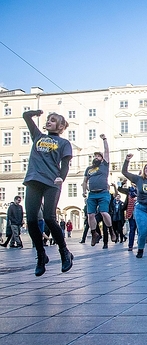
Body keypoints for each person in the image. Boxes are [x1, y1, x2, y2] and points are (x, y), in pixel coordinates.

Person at [22, 109, 73, 276]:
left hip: (52, 182)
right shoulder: (38, 136)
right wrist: (35, 112)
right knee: (30, 220)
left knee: (49, 218)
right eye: (48, 120)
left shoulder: (64, 143)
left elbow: (65, 164)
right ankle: (40, 255)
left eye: (53, 120)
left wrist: (62, 178)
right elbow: (26, 117)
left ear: (59, 127)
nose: (49, 122)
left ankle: (64, 251)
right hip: (33, 180)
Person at [83, 134, 116, 246]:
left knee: (103, 212)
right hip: (92, 194)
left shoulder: (104, 166)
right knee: (90, 215)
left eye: (98, 156)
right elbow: (84, 181)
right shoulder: (89, 169)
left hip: (103, 193)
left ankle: (111, 230)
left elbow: (106, 151)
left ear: (102, 159)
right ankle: (94, 234)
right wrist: (83, 190)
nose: (96, 157)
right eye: (95, 156)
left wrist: (104, 140)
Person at [118, 180, 138, 251]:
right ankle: (130, 245)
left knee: (140, 230)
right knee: (132, 229)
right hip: (131, 212)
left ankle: (141, 243)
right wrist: (122, 183)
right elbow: (119, 189)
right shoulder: (129, 190)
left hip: (140, 212)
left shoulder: (141, 190)